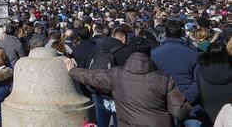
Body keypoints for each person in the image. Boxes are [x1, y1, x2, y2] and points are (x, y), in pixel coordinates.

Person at [64, 38, 192, 127]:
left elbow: (92, 76)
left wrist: (73, 71)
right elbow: (180, 112)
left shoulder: (116, 75)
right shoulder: (164, 80)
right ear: (149, 54)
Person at [151, 21, 200, 125]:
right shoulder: (194, 53)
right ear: (181, 33)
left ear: (165, 33)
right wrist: (186, 97)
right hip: (190, 105)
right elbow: (199, 81)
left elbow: (152, 81)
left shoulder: (155, 54)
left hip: (168, 105)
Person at [194, 41, 232, 125]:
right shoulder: (200, 70)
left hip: (209, 114)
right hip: (228, 115)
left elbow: (196, 90)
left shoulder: (199, 70)